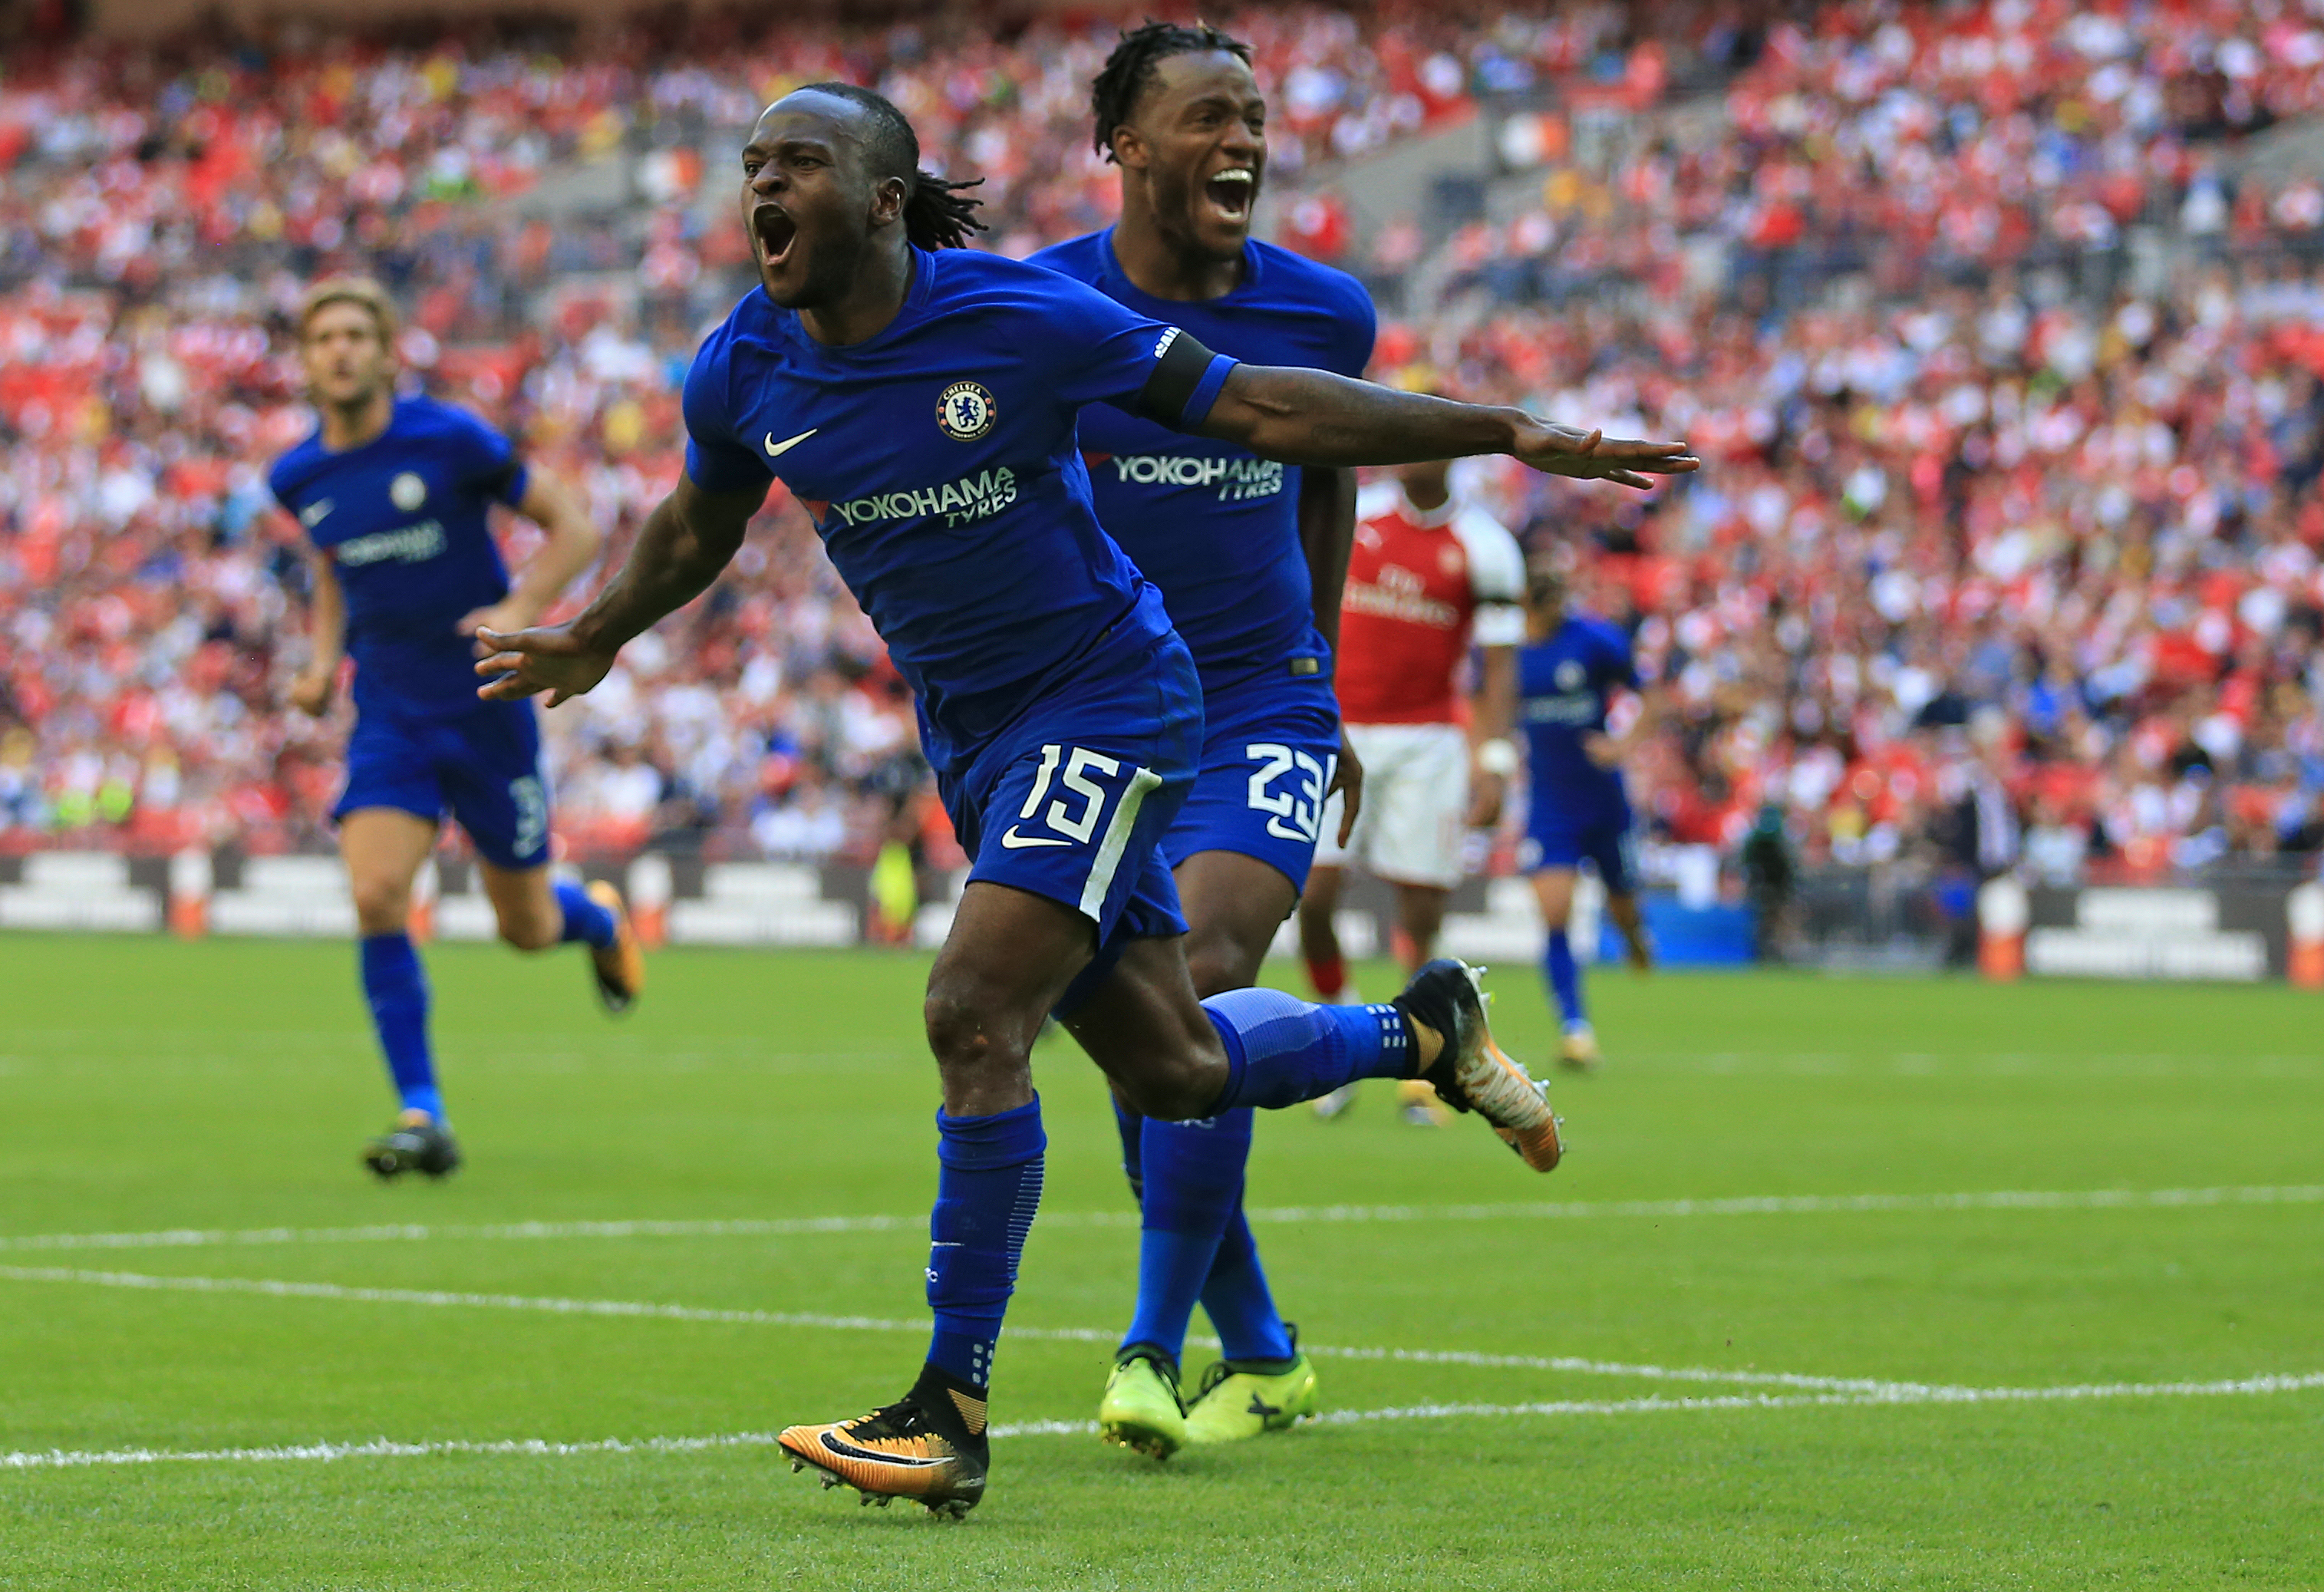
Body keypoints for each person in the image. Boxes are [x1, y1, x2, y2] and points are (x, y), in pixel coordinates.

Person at [475, 83, 1693, 1518]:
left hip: (1109, 698)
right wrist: (605, 629)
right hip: (979, 742)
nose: (760, 190)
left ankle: (948, 1408)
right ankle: (1419, 1028)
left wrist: (1496, 429)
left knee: (970, 1008)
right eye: (749, 167)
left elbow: (1255, 402)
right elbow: (698, 516)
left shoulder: (1015, 319)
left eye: (794, 164)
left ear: (879, 196)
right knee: (1171, 1066)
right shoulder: (742, 361)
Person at [1028, 20, 1373, 1456]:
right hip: (1101, 714)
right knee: (1132, 1030)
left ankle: (1146, 1350)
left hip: (1256, 703)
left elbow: (1328, 486)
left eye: (1252, 116)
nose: (1239, 141)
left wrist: (1326, 679)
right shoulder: (1034, 308)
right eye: (1204, 117)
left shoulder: (1322, 316)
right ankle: (1268, 1348)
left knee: (1205, 975)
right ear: (1120, 142)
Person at [272, 277, 643, 1182]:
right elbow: (333, 566)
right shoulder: (298, 475)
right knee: (374, 895)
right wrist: (323, 663)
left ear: (389, 351)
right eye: (326, 336)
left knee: (522, 926)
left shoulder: (450, 439)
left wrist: (517, 606)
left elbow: (574, 526)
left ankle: (592, 919)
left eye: (360, 332)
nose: (343, 349)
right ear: (306, 360)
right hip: (390, 714)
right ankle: (422, 1110)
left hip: (486, 706)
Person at [1300, 450, 1525, 1119]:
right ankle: (1339, 1037)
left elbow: (1500, 667)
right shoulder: (1355, 515)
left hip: (1429, 742)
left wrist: (1495, 762)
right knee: (1312, 894)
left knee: (1421, 909)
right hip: (1340, 729)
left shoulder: (1485, 545)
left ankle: (1418, 1055)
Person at [1515, 558, 1656, 1071]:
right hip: (1550, 803)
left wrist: (1623, 745)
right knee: (1554, 914)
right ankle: (1576, 1028)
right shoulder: (1506, 652)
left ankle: (1637, 939)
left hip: (1602, 800)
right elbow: (1484, 706)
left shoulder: (1596, 642)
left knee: (1624, 905)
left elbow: (1651, 695)